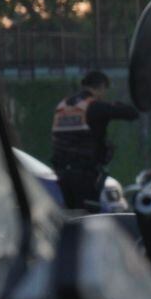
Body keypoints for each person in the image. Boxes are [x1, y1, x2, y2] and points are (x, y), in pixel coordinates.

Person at [50, 69, 139, 211]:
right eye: (105, 91)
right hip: (85, 175)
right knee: (88, 215)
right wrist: (116, 104)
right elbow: (131, 113)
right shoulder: (95, 107)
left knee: (70, 213)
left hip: (60, 174)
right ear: (101, 87)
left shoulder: (62, 107)